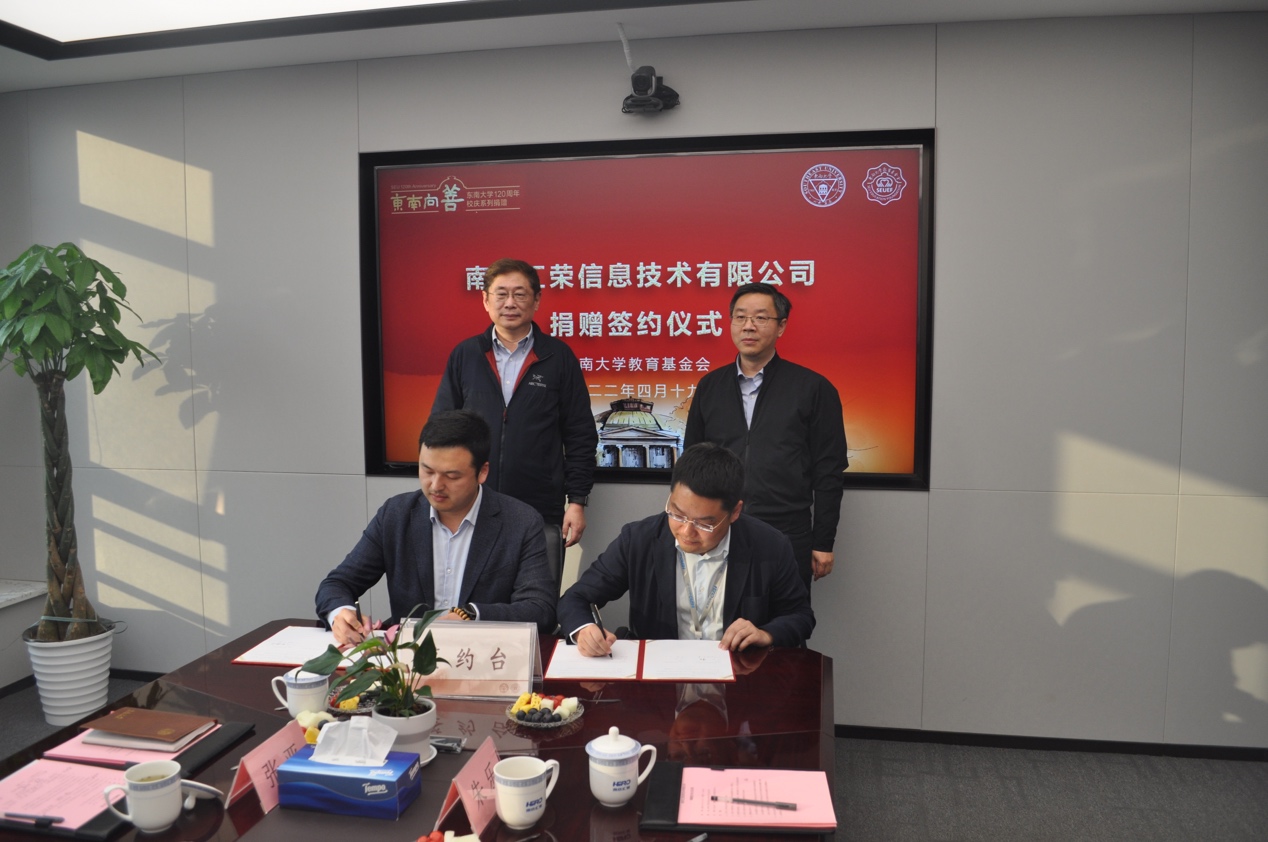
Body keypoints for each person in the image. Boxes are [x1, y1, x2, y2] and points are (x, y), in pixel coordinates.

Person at [316, 410, 556, 644]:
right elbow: (337, 584)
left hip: (483, 655)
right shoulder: (396, 515)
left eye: (452, 476)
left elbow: (540, 609)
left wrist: (471, 615)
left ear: (482, 472)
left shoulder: (520, 522)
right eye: (427, 470)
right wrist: (341, 613)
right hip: (409, 660)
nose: (436, 486)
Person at [557, 443, 814, 656]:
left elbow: (800, 616)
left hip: (738, 675)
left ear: (735, 512)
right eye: (677, 514)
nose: (686, 532)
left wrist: (765, 633)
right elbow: (575, 598)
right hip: (661, 676)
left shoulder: (769, 546)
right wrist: (584, 629)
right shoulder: (638, 540)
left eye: (704, 523)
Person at [684, 282, 848, 593]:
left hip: (787, 531)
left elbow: (829, 471)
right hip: (719, 529)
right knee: (718, 617)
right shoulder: (710, 386)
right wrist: (688, 528)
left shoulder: (813, 388)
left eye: (760, 318)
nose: (748, 326)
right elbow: (691, 464)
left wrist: (823, 541)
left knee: (785, 617)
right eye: (740, 317)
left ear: (781, 326)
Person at [431, 258, 597, 547]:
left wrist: (577, 501)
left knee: (537, 576)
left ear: (537, 300)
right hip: (471, 501)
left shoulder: (558, 357)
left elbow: (580, 434)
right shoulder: (466, 355)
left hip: (540, 504)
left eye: (520, 294)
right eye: (501, 294)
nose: (510, 303)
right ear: (485, 300)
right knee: (474, 577)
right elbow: (441, 430)